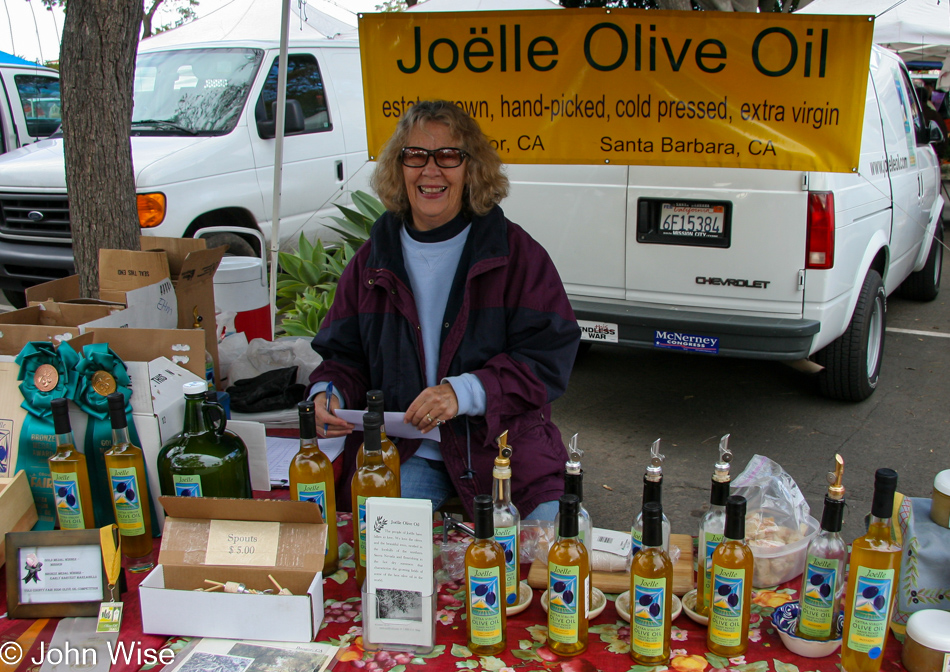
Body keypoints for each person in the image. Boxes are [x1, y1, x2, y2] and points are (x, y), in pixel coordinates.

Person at [309, 100, 580, 520]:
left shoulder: (516, 254)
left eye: (448, 156)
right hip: (408, 449)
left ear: (472, 169)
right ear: (399, 168)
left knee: (557, 548)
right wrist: (329, 393)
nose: (430, 170)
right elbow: (343, 355)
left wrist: (465, 391)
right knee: (382, 554)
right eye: (416, 155)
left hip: (503, 449)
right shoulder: (371, 261)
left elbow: (548, 358)